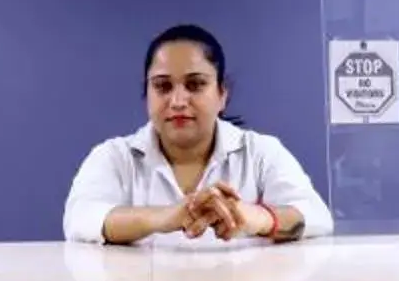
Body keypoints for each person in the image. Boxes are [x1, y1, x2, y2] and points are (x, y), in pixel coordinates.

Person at [63, 24, 333, 245]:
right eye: (163, 86)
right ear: (147, 94)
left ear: (222, 94)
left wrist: (255, 217)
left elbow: (316, 216)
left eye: (195, 85)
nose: (178, 100)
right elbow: (80, 220)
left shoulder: (261, 152)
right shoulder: (114, 157)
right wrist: (166, 217)